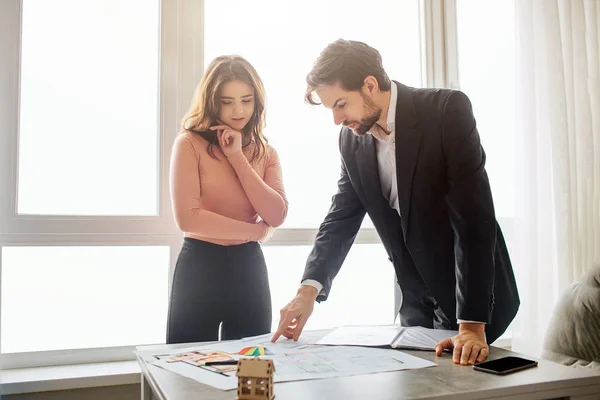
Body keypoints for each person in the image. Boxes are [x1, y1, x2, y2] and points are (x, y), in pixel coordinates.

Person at [272, 39, 519, 366]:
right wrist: (307, 293)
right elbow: (340, 219)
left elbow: (474, 220)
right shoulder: (351, 140)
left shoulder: (446, 112)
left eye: (341, 104)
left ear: (370, 85)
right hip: (416, 311)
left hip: (476, 305)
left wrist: (472, 325)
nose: (336, 119)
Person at [167, 55, 288, 344]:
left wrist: (236, 156)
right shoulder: (188, 144)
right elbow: (188, 218)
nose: (238, 110)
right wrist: (254, 231)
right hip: (199, 266)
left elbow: (277, 214)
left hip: (249, 268)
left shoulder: (266, 153)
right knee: (187, 372)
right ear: (211, 101)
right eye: (227, 101)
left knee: (252, 375)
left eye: (246, 100)